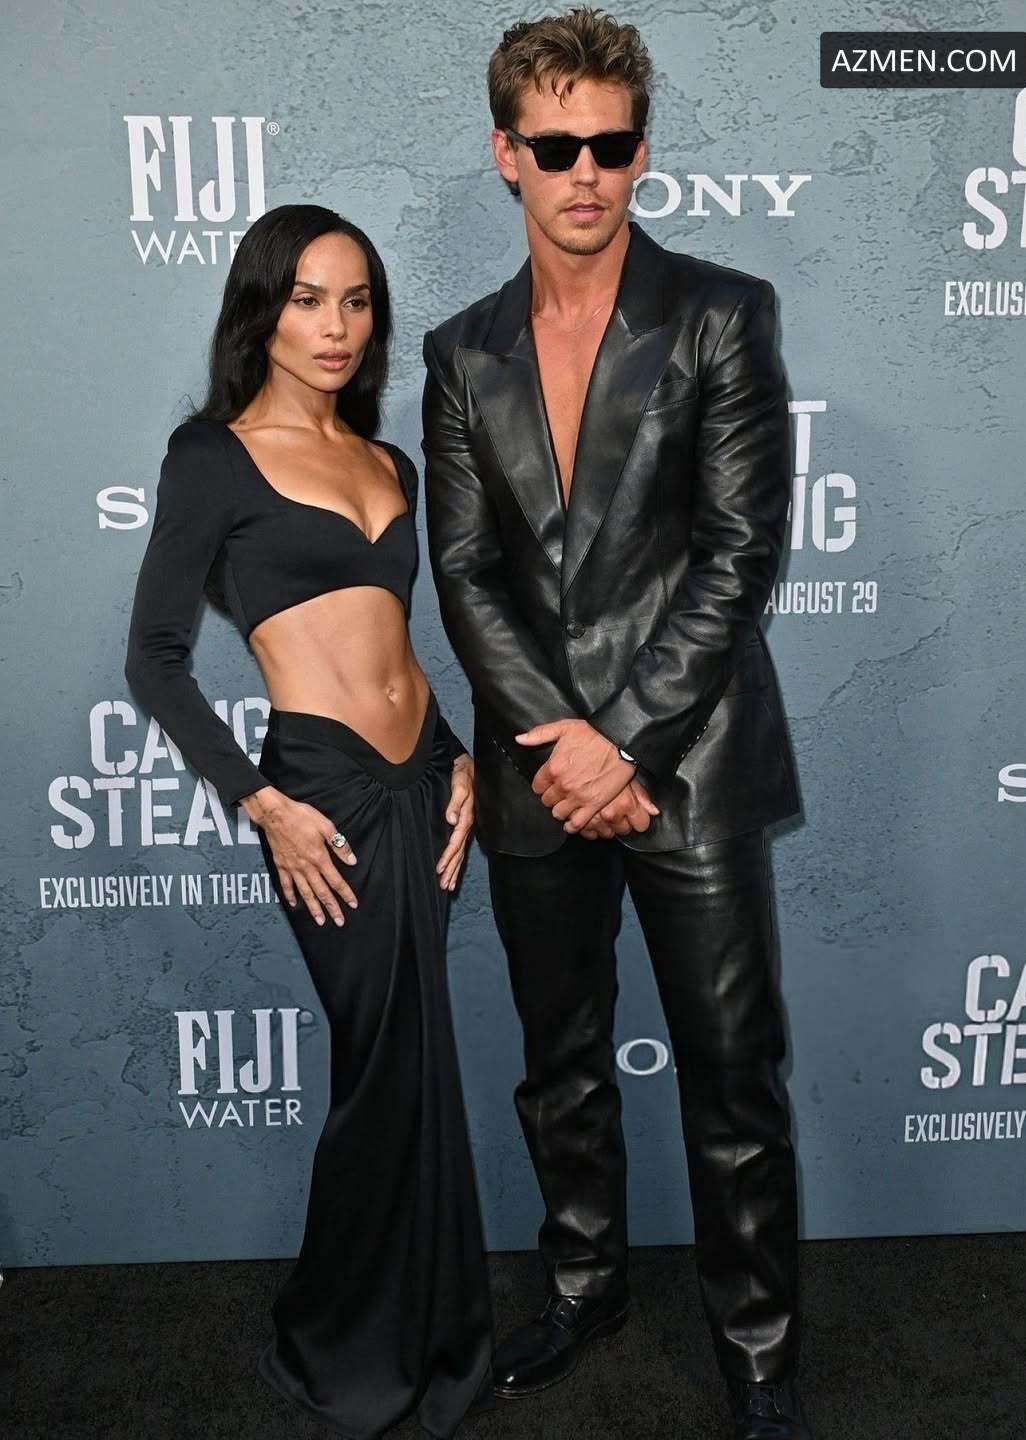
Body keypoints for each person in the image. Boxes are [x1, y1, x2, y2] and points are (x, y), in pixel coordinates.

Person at [421, 10, 812, 1439]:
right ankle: (584, 1286)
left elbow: (737, 556)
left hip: (685, 764)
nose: (583, 172)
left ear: (642, 153)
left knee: (734, 1074)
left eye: (610, 143)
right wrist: (561, 744)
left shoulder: (722, 312)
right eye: (554, 146)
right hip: (540, 772)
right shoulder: (461, 352)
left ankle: (758, 1348)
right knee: (561, 1063)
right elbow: (464, 572)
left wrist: (622, 744)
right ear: (505, 155)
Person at [125, 204, 492, 1440]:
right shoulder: (211, 457)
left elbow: (402, 648)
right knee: (384, 1070)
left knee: (420, 1066)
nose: (336, 327)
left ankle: (432, 1331)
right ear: (261, 312)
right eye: (307, 299)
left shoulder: (389, 464)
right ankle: (344, 1342)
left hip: (422, 785)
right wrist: (261, 801)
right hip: (319, 795)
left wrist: (462, 758)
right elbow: (156, 660)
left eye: (357, 301)